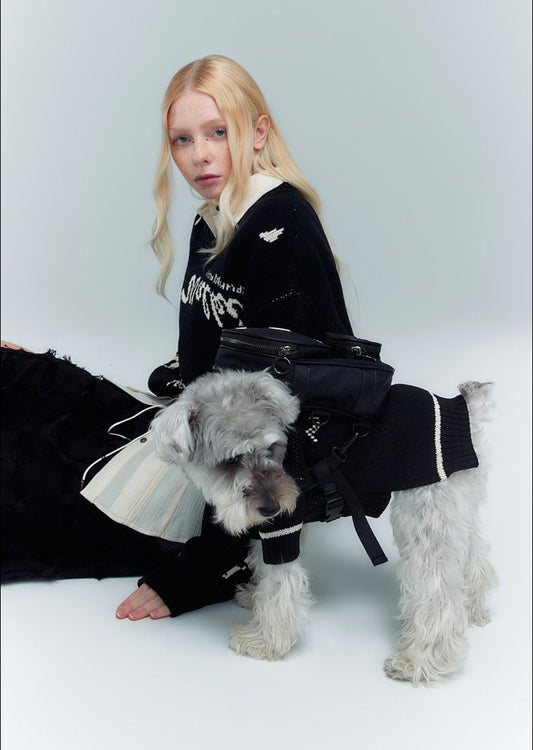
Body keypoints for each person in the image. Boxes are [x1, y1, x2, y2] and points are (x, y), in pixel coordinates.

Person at [1, 54, 352, 621]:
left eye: (218, 133)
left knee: (22, 479)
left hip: (222, 479)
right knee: (22, 381)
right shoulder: (213, 217)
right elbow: (210, 356)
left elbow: (294, 412)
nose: (199, 155)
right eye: (182, 140)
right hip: (184, 425)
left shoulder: (281, 227)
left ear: (258, 132)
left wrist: (210, 565)